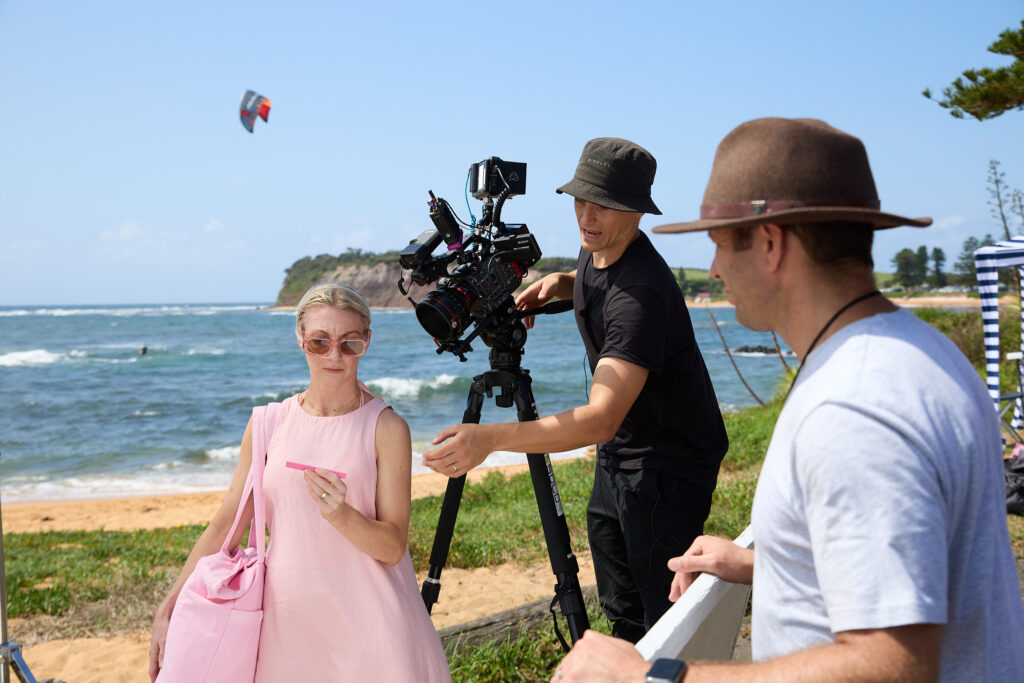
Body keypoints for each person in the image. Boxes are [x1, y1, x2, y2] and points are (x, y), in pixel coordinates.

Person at [552, 118, 1024, 682]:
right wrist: (763, 565)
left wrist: (656, 677)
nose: (716, 270)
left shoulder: (853, 408)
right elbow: (918, 570)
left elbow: (897, 665)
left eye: (722, 244)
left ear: (771, 243)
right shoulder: (923, 352)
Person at [423, 137, 729, 642]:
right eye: (580, 200)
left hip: (667, 465)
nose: (587, 215)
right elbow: (595, 277)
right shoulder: (602, 248)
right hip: (622, 457)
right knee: (618, 602)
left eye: (604, 205)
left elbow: (601, 417)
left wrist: (488, 440)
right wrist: (563, 283)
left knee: (663, 615)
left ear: (635, 211)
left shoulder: (640, 296)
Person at [149, 283, 450, 682]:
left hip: (374, 628)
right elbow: (226, 526)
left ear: (367, 342)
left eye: (350, 343)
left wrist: (343, 515)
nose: (334, 355)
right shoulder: (267, 424)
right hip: (286, 630)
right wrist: (169, 606)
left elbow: (393, 547)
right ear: (300, 339)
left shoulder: (387, 428)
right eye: (320, 342)